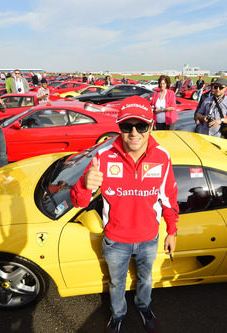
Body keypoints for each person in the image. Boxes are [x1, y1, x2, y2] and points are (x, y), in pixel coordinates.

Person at [70, 96, 179, 333]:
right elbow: (80, 202)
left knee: (146, 280)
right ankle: (118, 314)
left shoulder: (162, 156)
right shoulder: (103, 156)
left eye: (140, 126)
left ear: (151, 125)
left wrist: (172, 231)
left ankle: (143, 306)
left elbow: (169, 198)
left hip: (149, 238)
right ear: (118, 127)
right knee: (117, 283)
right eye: (126, 126)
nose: (133, 133)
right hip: (116, 240)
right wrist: (85, 185)